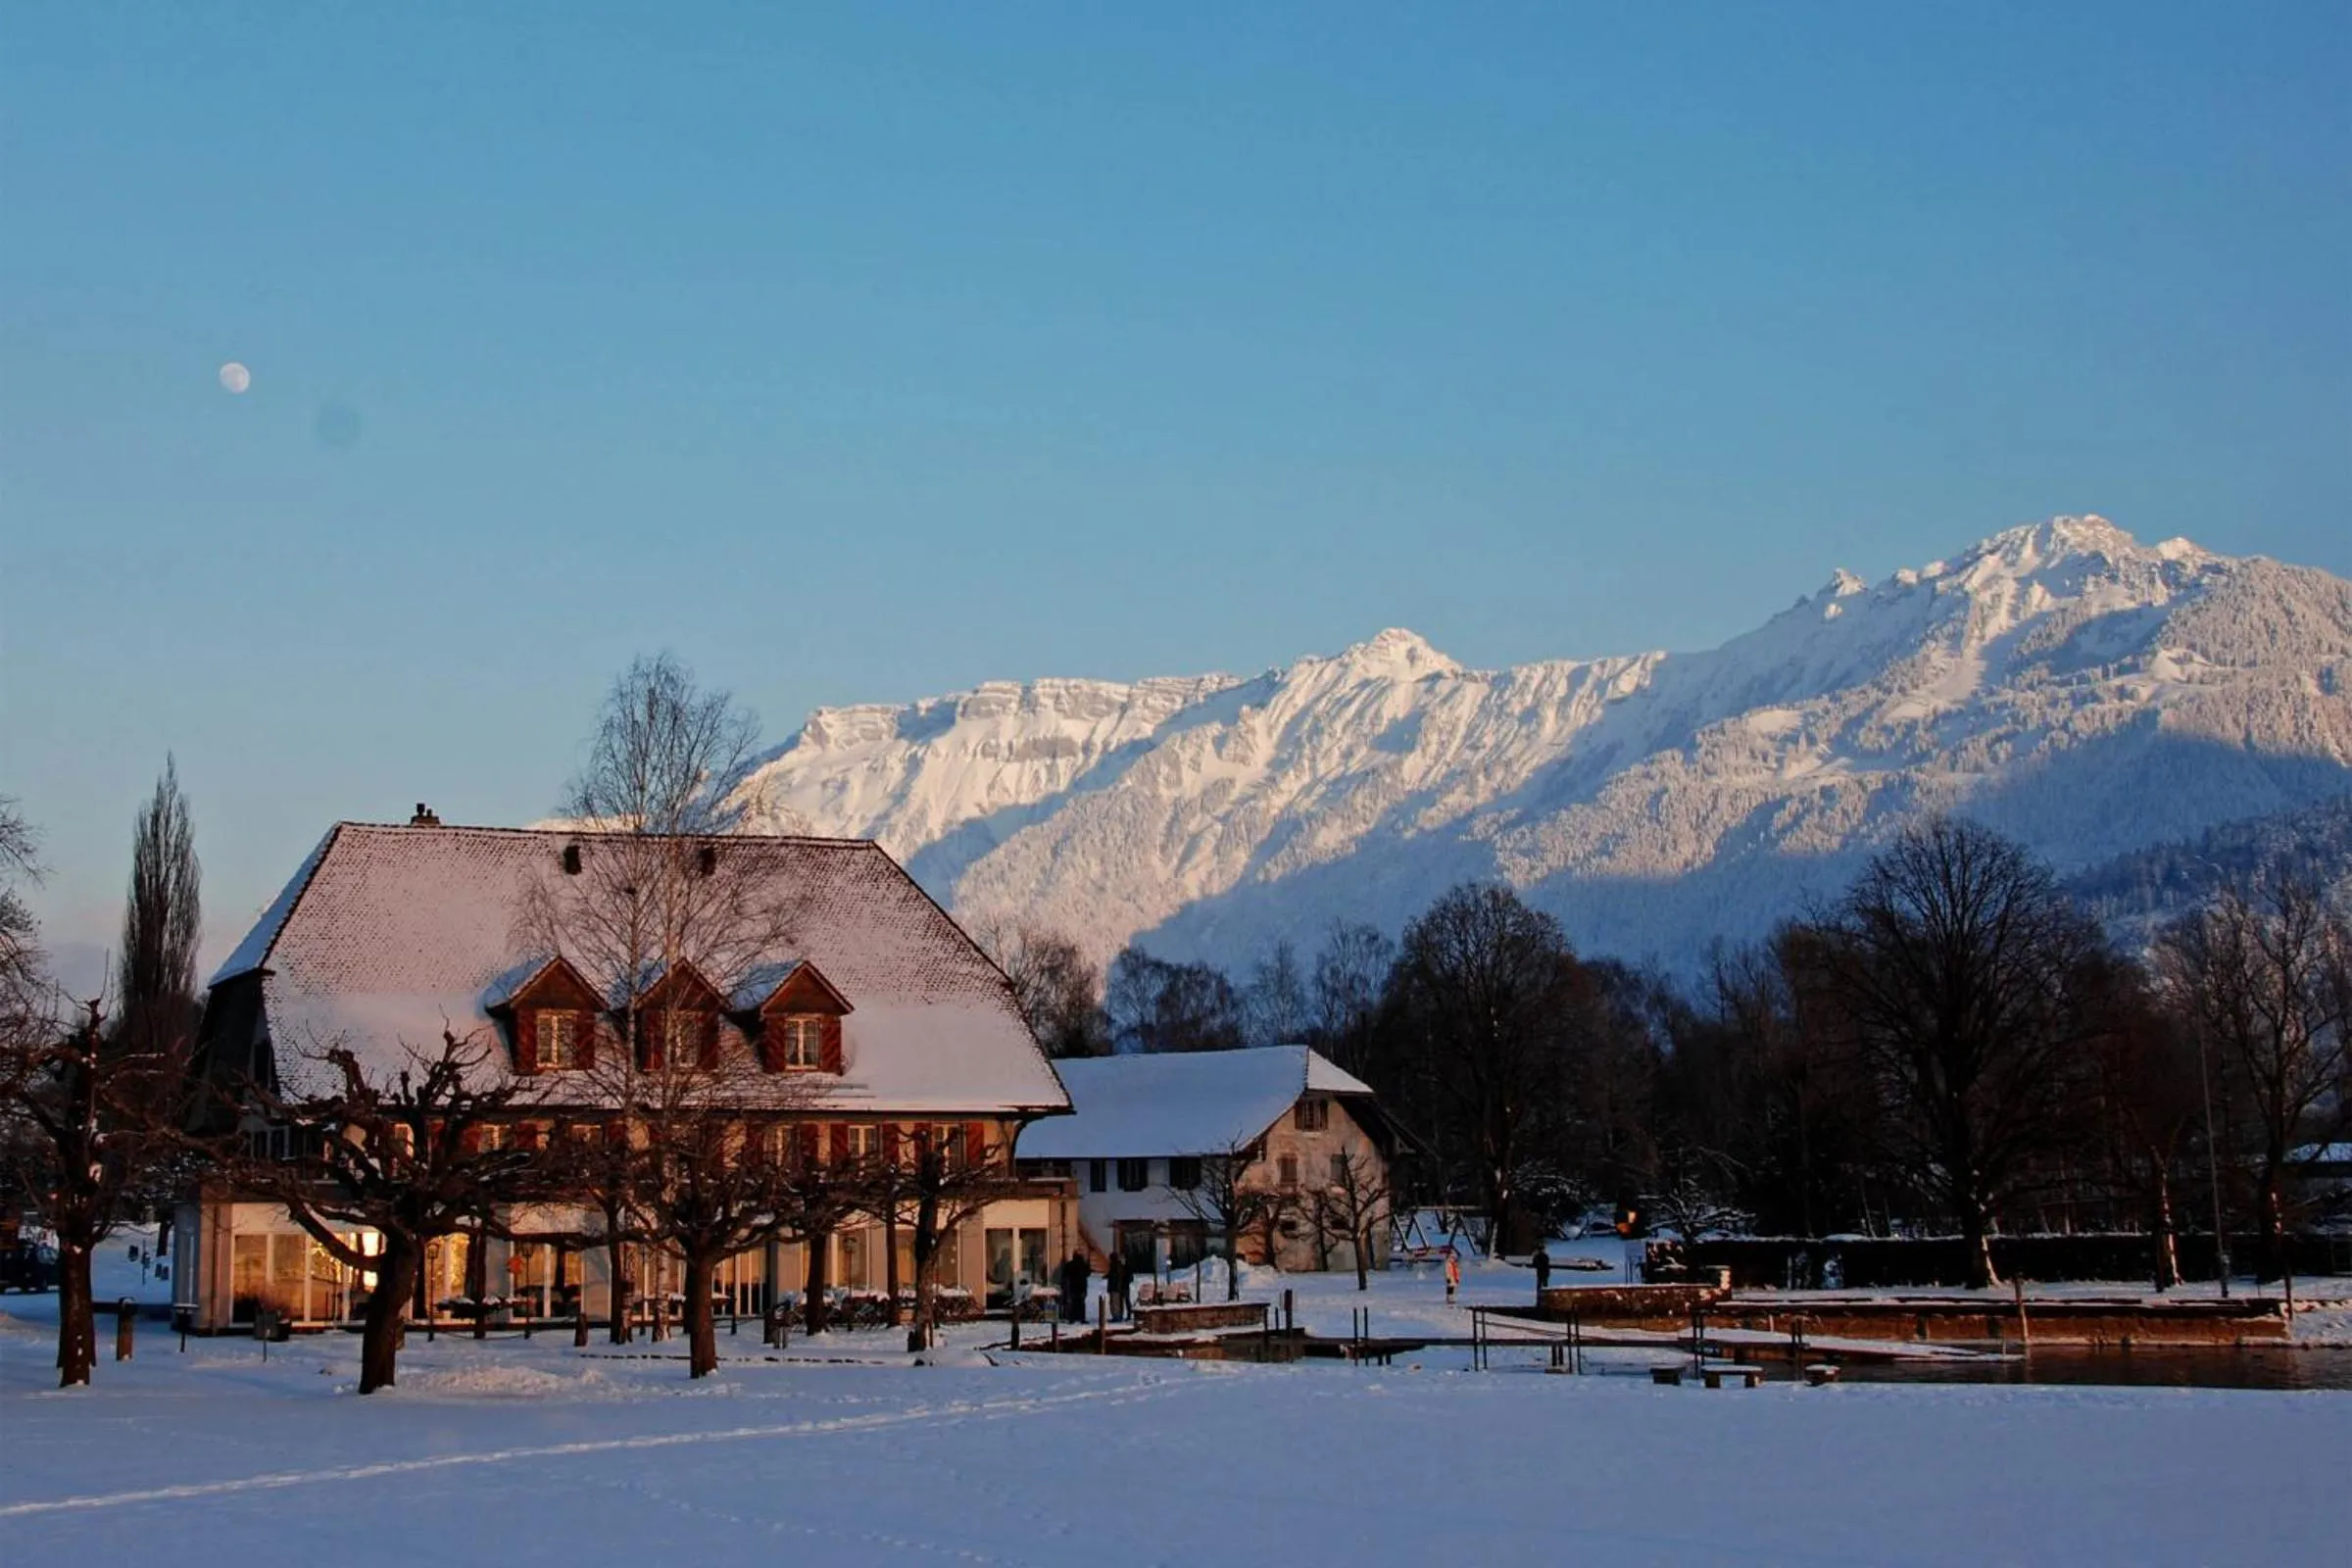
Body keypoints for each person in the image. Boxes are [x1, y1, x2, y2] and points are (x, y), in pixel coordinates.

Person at [1107, 1250, 1132, 1321]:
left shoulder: (1119, 1266)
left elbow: (1117, 1276)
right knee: (1120, 1302)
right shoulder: (1119, 1266)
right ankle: (1121, 1315)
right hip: (1120, 1286)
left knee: (1122, 1301)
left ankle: (1122, 1316)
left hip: (1121, 1286)